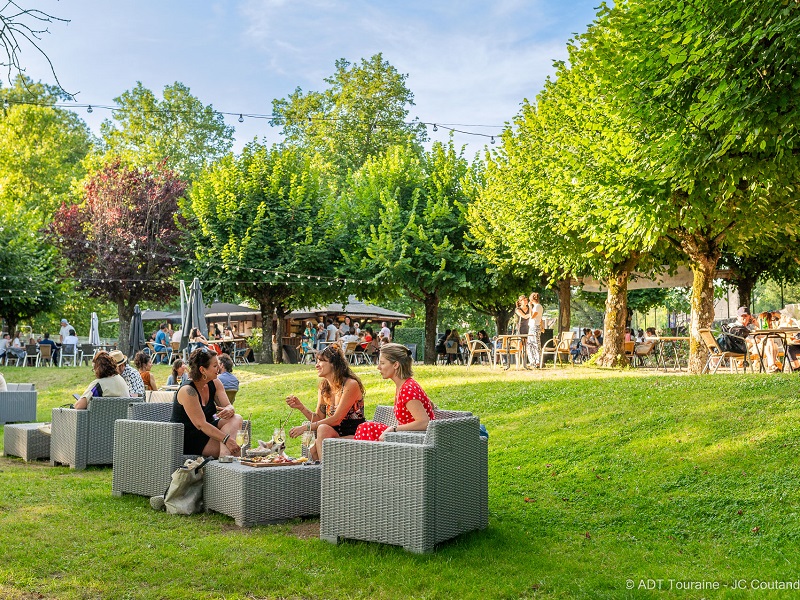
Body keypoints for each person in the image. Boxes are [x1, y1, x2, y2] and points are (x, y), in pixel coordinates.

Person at [285, 344, 366, 461]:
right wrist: (301, 407)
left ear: (334, 364)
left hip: (355, 436)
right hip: (334, 436)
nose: (316, 365)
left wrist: (305, 428)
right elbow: (318, 418)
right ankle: (325, 473)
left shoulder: (350, 384)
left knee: (321, 432)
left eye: (321, 361)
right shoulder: (324, 387)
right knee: (315, 445)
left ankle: (325, 471)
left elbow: (336, 419)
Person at [354, 343, 435, 442]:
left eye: (382, 363)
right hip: (404, 437)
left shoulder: (407, 389)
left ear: (396, 365)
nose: (378, 367)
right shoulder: (404, 385)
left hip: (412, 440)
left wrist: (394, 429)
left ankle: (362, 456)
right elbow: (426, 405)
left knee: (365, 429)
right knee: (366, 428)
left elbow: (424, 422)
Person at [171, 347, 243, 458]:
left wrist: (230, 408)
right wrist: (227, 440)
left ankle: (225, 460)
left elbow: (228, 406)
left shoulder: (215, 382)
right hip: (190, 439)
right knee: (236, 449)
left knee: (236, 418)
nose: (219, 368)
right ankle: (226, 463)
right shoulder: (188, 390)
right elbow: (201, 424)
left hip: (209, 431)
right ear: (202, 370)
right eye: (214, 366)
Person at [528, 292, 543, 367]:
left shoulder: (537, 307)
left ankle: (538, 361)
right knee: (530, 344)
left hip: (535, 327)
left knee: (536, 344)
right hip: (531, 327)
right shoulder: (535, 307)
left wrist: (530, 307)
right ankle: (532, 360)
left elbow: (532, 316)